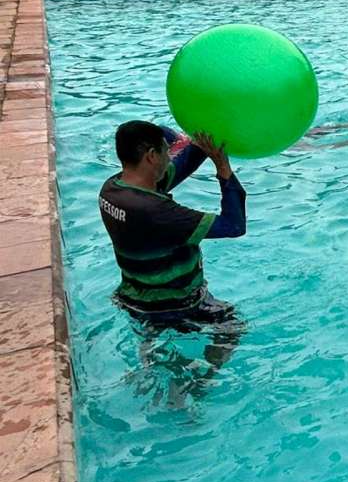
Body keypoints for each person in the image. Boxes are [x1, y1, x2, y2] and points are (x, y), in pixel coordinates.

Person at [98, 121, 247, 393]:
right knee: (233, 327)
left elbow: (182, 164)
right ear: (151, 156)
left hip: (135, 299)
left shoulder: (112, 190)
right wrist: (223, 169)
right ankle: (200, 382)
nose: (171, 157)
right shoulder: (160, 213)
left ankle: (150, 355)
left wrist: (204, 141)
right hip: (176, 305)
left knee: (156, 344)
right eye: (167, 151)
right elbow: (234, 225)